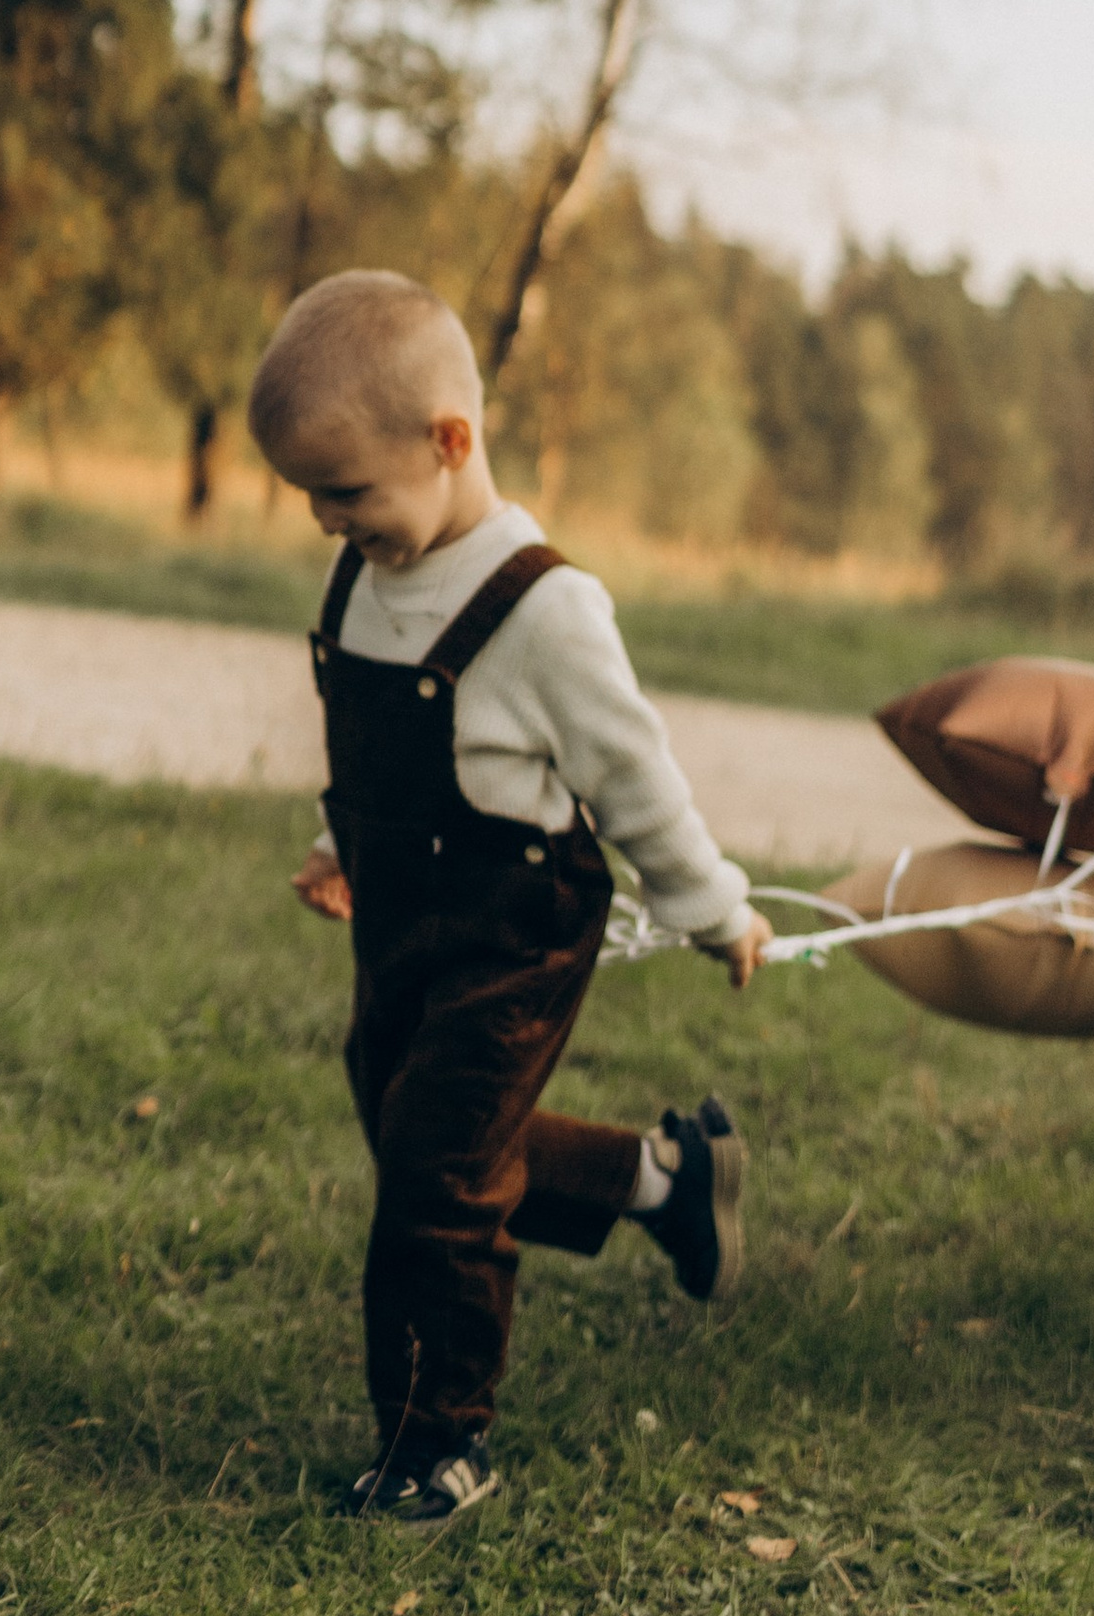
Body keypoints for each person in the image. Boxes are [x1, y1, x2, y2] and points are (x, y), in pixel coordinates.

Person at [248, 268, 773, 1530]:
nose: (328, 521)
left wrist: (716, 909)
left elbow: (635, 779)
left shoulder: (545, 610)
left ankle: (440, 1444)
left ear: (448, 442)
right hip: (400, 919)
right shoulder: (369, 575)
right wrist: (339, 839)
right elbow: (366, 747)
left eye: (347, 491)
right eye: (312, 496)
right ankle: (661, 1180)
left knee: (434, 1172)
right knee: (412, 1123)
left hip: (513, 934)